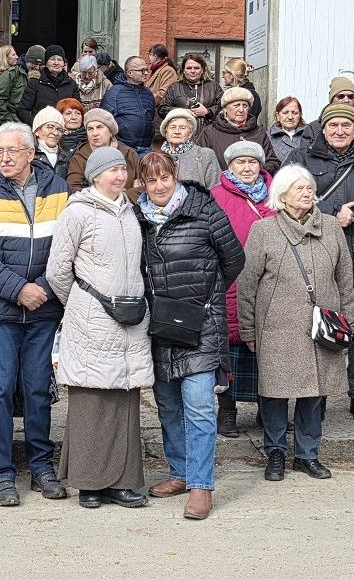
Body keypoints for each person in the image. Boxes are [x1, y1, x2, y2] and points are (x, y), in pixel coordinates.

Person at [0, 122, 71, 508]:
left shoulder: (60, 190)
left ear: (30, 153)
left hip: (44, 308)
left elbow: (68, 246)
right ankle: (2, 472)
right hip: (1, 313)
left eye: (13, 151)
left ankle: (42, 467)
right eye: (0, 151)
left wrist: (41, 286)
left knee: (39, 391)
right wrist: (18, 289)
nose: (5, 157)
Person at [136, 152, 245, 520]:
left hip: (200, 325)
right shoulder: (139, 219)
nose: (159, 186)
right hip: (161, 328)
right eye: (151, 181)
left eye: (165, 177)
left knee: (198, 407)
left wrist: (209, 294)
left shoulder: (203, 208)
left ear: (175, 176)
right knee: (167, 405)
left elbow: (234, 259)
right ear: (144, 185)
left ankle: (201, 486)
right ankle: (180, 472)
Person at [46, 147, 155, 509]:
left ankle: (122, 482)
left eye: (123, 169)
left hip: (130, 319)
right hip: (93, 318)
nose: (120, 176)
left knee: (124, 399)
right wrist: (82, 305)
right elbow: (58, 271)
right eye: (112, 171)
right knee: (91, 400)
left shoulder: (131, 211)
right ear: (95, 176)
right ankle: (89, 483)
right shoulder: (77, 212)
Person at [238, 164, 354, 481]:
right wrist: (248, 329)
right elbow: (247, 285)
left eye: (309, 187)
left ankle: (307, 454)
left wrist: (349, 321)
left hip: (322, 327)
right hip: (277, 327)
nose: (307, 192)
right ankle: (275, 452)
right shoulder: (264, 231)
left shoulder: (331, 228)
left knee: (314, 393)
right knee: (275, 392)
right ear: (282, 195)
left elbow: (344, 280)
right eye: (299, 188)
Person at [287, 103, 354, 425]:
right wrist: (332, 213)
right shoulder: (303, 158)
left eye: (347, 125)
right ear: (323, 128)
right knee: (312, 327)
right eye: (334, 126)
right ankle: (313, 395)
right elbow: (285, 202)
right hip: (315, 256)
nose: (340, 131)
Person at [210, 141, 276, 436]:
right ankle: (227, 411)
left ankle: (268, 409)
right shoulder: (215, 195)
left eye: (252, 162)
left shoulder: (276, 195)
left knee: (270, 346)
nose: (247, 168)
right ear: (230, 166)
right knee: (230, 346)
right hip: (230, 278)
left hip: (270, 280)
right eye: (240, 163)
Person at [197, 87, 280, 174]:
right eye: (236, 105)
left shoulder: (259, 132)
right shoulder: (210, 132)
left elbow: (272, 161)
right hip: (220, 185)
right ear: (225, 109)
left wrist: (256, 172)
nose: (241, 110)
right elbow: (199, 162)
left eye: (245, 106)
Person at [66, 108, 143, 202]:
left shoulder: (129, 154)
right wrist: (106, 195)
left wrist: (124, 196)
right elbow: (72, 189)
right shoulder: (79, 158)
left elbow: (144, 186)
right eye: (90, 129)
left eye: (99, 127)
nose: (95, 133)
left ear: (111, 131)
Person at [300, 77, 354, 151]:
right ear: (332, 98)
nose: (346, 100)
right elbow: (304, 156)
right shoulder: (313, 128)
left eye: (351, 96)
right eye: (340, 96)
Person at [157, 53, 224, 137]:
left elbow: (224, 108)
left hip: (208, 136)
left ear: (202, 69)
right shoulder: (174, 87)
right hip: (181, 137)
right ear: (183, 70)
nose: (193, 71)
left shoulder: (214, 86)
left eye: (196, 68)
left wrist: (207, 112)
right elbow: (162, 109)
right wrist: (182, 111)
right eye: (189, 68)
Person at [102, 56, 156, 157]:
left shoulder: (148, 93)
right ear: (130, 73)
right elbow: (104, 120)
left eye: (146, 70)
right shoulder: (114, 93)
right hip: (123, 149)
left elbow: (151, 116)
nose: (146, 73)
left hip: (146, 149)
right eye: (142, 70)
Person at [16, 45, 81, 125]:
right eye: (52, 59)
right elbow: (22, 110)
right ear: (46, 62)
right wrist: (38, 125)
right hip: (41, 132)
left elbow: (78, 109)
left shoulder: (71, 84)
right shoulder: (35, 83)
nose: (56, 63)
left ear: (64, 63)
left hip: (65, 131)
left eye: (59, 60)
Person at [160, 108, 222, 188]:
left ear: (190, 133)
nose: (177, 131)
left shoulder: (205, 155)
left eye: (182, 128)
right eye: (172, 127)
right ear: (166, 132)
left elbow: (216, 189)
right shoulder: (156, 158)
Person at [268, 96, 306, 165]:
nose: (290, 117)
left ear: (300, 115)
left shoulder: (309, 134)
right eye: (285, 112)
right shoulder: (268, 137)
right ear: (277, 116)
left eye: (294, 113)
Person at [56, 98, 88, 178]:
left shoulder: (90, 139)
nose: (74, 117)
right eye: (68, 113)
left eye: (78, 113)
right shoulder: (53, 141)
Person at [0, 45, 28, 124]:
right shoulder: (5, 75)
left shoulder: (17, 73)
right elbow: (0, 99)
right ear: (5, 57)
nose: (17, 57)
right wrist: (9, 121)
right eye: (13, 55)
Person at [32, 106, 65, 170]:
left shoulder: (64, 157)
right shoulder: (28, 156)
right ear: (37, 131)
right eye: (50, 127)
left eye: (59, 129)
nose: (55, 133)